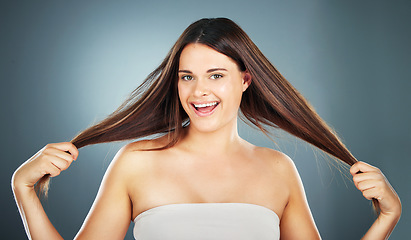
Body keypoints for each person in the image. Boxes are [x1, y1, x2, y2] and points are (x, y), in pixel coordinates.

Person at [12, 18, 401, 240]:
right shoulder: (136, 162)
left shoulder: (278, 169)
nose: (199, 91)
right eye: (187, 77)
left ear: (245, 80)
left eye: (216, 75)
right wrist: (24, 190)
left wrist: (386, 219)